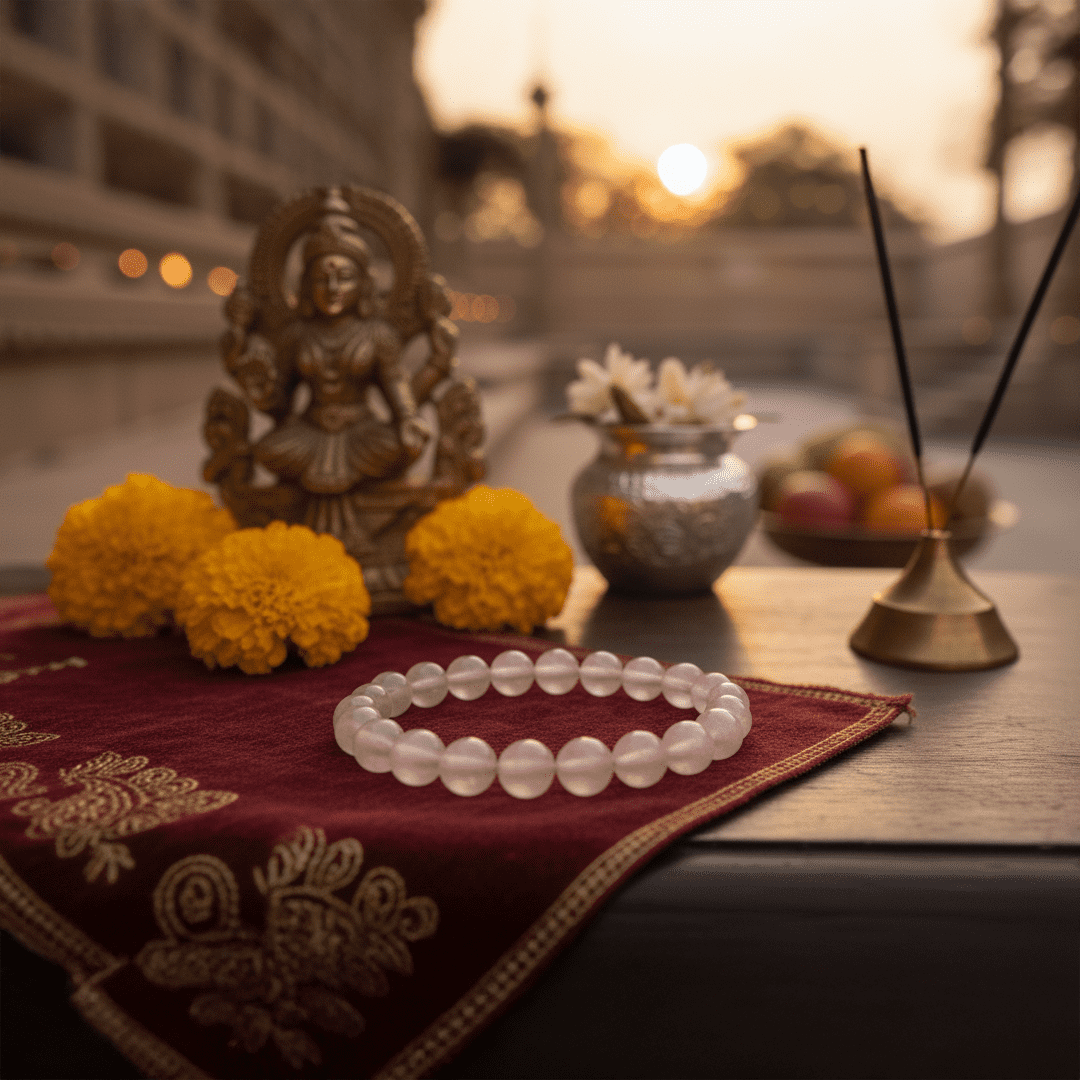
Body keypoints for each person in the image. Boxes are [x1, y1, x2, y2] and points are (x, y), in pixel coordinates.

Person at [239, 214, 430, 548]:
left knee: (401, 445)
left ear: (364, 285)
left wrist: (409, 418)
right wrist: (260, 389)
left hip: (362, 432)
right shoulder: (296, 335)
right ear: (305, 286)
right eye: (321, 280)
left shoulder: (378, 335)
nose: (333, 290)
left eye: (345, 278)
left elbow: (396, 384)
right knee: (268, 450)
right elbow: (280, 402)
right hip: (309, 431)